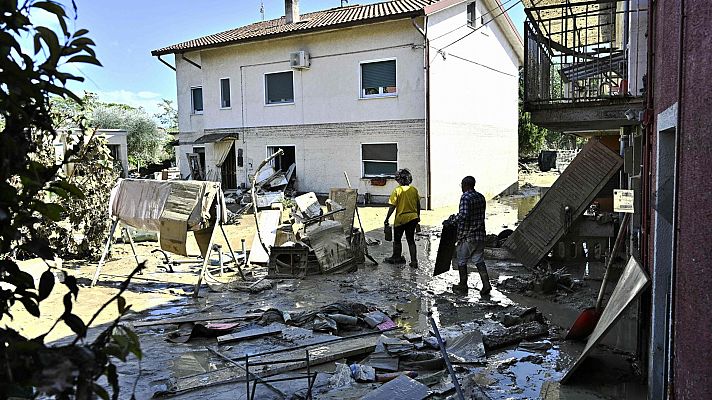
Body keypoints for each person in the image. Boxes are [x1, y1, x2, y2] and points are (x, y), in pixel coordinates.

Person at [445, 176, 492, 294]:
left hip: (468, 236)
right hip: (480, 235)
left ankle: (463, 285)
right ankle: (486, 285)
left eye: (461, 185)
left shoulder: (465, 197)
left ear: (465, 185)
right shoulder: (481, 197)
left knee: (461, 261)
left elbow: (464, 215)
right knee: (478, 260)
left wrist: (451, 221)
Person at [384, 169, 420, 267]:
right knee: (411, 240)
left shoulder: (397, 190)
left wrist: (387, 218)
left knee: (397, 240)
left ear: (399, 180)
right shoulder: (414, 190)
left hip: (401, 219)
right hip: (413, 218)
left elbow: (392, 206)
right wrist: (418, 218)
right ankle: (414, 261)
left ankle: (397, 257)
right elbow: (418, 205)